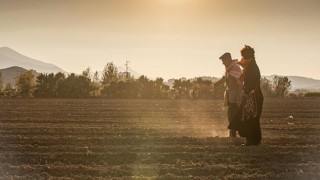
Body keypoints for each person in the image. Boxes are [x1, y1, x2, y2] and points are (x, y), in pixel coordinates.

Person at [229, 45, 264, 146]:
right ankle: (252, 140)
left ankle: (253, 141)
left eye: (244, 56)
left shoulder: (252, 67)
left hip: (254, 97)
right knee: (250, 117)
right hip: (252, 96)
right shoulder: (250, 66)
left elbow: (253, 82)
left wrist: (246, 91)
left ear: (249, 56)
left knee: (252, 117)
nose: (243, 58)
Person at [219, 52, 243, 137]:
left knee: (232, 116)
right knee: (231, 116)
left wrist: (238, 99)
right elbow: (224, 78)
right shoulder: (228, 68)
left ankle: (234, 135)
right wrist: (214, 85)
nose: (222, 63)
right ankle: (233, 134)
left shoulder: (235, 68)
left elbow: (240, 83)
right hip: (230, 97)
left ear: (228, 59)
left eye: (223, 60)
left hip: (235, 98)